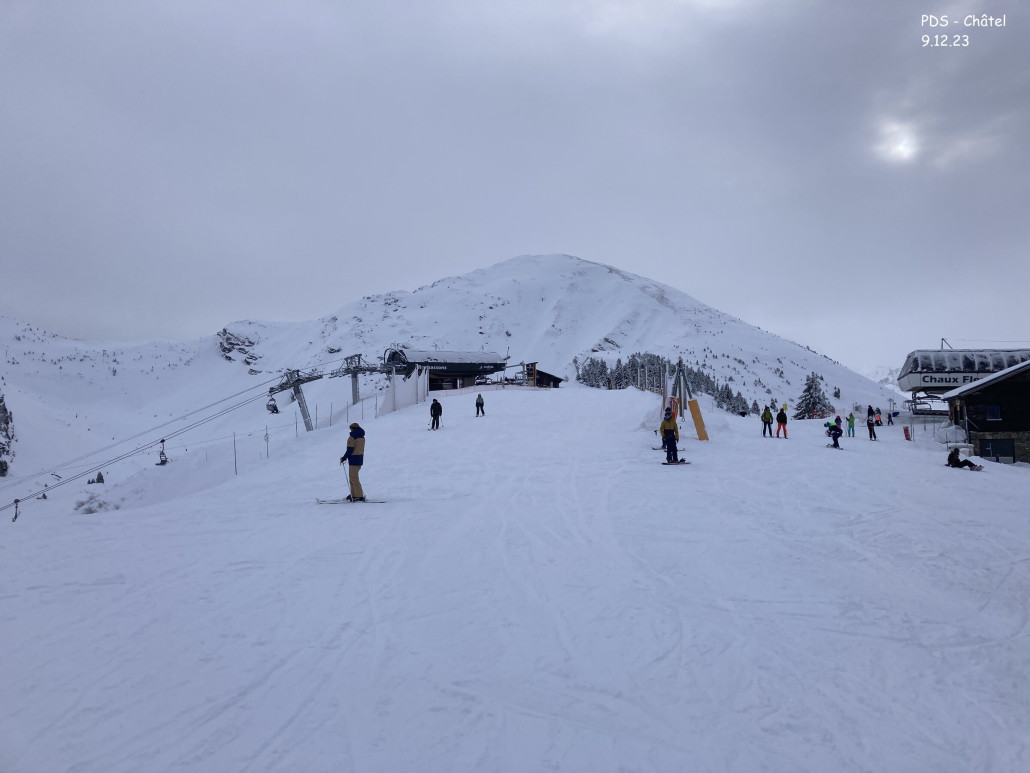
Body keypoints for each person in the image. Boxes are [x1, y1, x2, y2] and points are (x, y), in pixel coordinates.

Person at [339, 422, 366, 501]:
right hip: (360, 458)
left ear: (352, 428)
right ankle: (354, 494)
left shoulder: (352, 437)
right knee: (352, 478)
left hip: (353, 459)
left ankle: (358, 495)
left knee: (354, 478)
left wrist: (344, 458)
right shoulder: (362, 437)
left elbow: (350, 449)